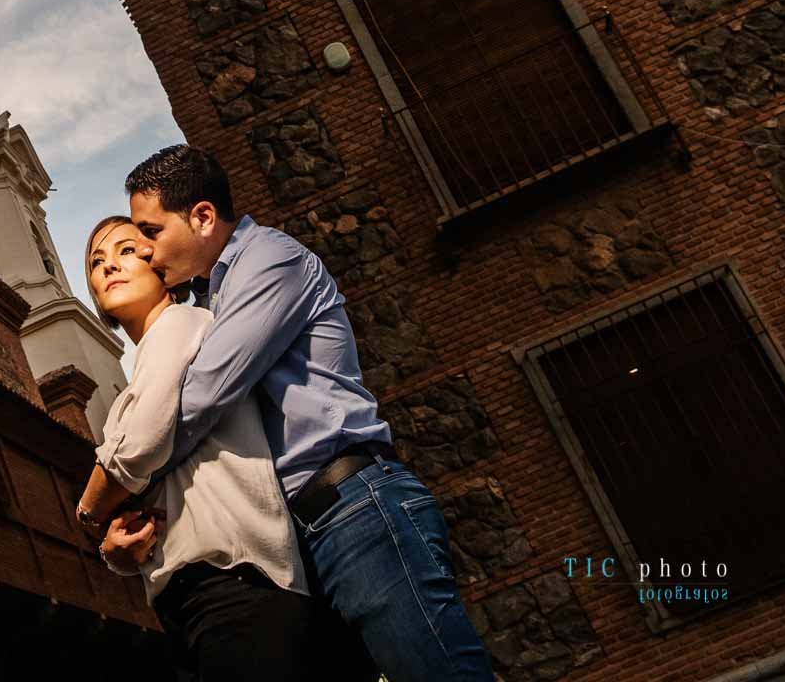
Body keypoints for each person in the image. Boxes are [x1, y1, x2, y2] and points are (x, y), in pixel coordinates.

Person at [103, 145, 495, 682]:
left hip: (355, 507)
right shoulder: (215, 298)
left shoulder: (269, 262)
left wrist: (107, 493)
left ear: (201, 217)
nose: (144, 252)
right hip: (312, 531)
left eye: (150, 232)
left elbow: (199, 401)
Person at [74, 214, 377, 682]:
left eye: (127, 250)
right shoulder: (153, 361)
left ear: (162, 270)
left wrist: (89, 513)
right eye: (97, 262)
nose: (110, 265)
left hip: (236, 585)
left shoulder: (181, 324)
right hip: (199, 597)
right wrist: (117, 551)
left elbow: (140, 444)